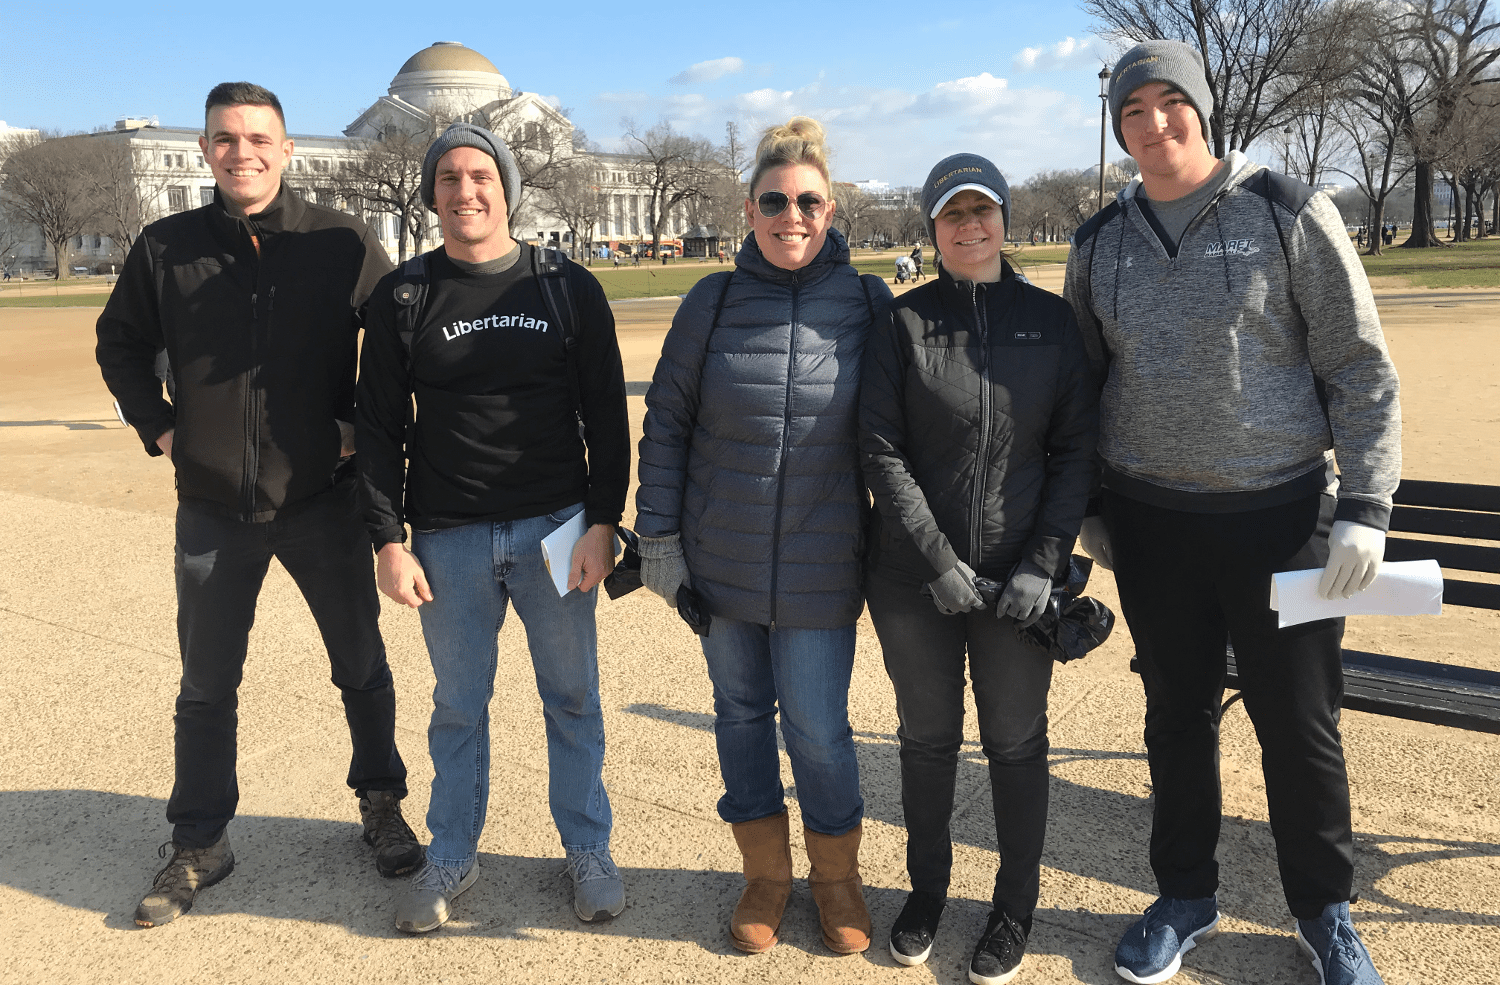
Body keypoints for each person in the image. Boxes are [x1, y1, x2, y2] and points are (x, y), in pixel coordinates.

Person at [1064, 41, 1401, 985]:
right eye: (1136, 109)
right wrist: (1091, 507)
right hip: (1153, 523)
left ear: (1202, 111)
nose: (1156, 122)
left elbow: (1359, 369)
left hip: (1281, 517)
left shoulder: (1288, 211)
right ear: (1118, 125)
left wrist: (1365, 507)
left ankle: (1323, 910)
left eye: (1173, 102)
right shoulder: (1098, 244)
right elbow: (1083, 386)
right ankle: (1184, 894)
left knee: (1299, 725)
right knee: (1175, 716)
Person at [95, 82, 418, 929]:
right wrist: (163, 430)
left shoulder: (340, 240)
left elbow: (394, 340)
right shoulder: (166, 245)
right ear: (205, 150)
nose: (243, 153)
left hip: (321, 500)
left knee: (361, 665)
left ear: (286, 149)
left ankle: (380, 802)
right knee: (206, 685)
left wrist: (357, 422)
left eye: (258, 138)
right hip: (210, 505)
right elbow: (118, 342)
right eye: (226, 139)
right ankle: (200, 839)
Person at [356, 122, 630, 933]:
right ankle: (452, 851)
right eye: (448, 178)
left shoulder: (564, 286)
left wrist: (604, 523)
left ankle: (587, 848)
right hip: (448, 535)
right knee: (458, 705)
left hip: (555, 526)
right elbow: (378, 429)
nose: (465, 191)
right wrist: (387, 539)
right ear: (431, 193)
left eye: (481, 175)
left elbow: (606, 419)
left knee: (572, 696)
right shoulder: (404, 296)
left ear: (507, 188)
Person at [635, 117, 892, 956]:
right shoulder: (711, 300)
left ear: (831, 208)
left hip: (823, 564)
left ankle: (836, 877)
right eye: (775, 200)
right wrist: (660, 538)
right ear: (750, 208)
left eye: (809, 201)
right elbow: (667, 422)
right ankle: (766, 876)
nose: (793, 214)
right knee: (742, 716)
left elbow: (904, 435)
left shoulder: (866, 302)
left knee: (818, 726)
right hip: (722, 561)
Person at [860, 154, 1097, 984]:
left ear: (1002, 218)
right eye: (951, 214)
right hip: (911, 578)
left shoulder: (1050, 320)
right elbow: (882, 452)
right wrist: (936, 559)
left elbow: (1073, 452)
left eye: (982, 210)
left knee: (1014, 741)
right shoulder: (903, 321)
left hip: (1017, 578)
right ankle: (927, 892)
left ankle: (1013, 906)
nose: (969, 226)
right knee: (927, 741)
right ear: (930, 229)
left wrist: (1043, 563)